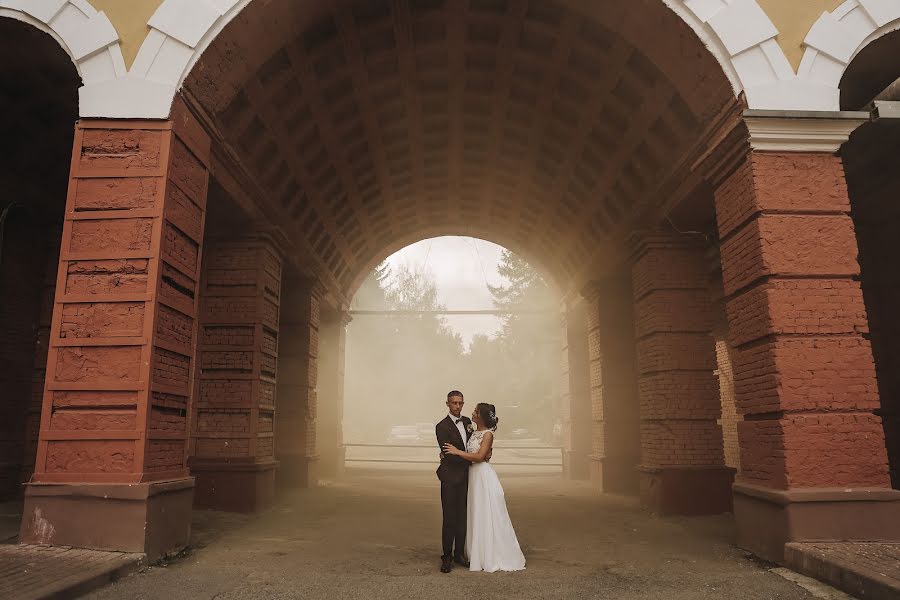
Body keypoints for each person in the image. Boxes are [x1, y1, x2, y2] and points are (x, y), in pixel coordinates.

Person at [443, 403, 526, 572]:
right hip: (472, 476)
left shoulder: (488, 434)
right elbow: (471, 450)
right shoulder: (473, 432)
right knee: (476, 513)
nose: (472, 413)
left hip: (483, 476)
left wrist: (457, 452)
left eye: (475, 411)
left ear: (480, 416)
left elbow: (480, 456)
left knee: (488, 513)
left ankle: (492, 553)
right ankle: (478, 552)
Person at [435, 390, 471, 573]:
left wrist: (467, 454)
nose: (458, 406)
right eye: (454, 403)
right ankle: (447, 557)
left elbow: (472, 446)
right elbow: (449, 454)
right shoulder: (441, 426)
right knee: (449, 518)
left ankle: (459, 555)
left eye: (461, 403)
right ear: (447, 404)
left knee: (462, 517)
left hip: (466, 477)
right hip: (449, 477)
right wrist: (471, 458)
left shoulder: (467, 423)